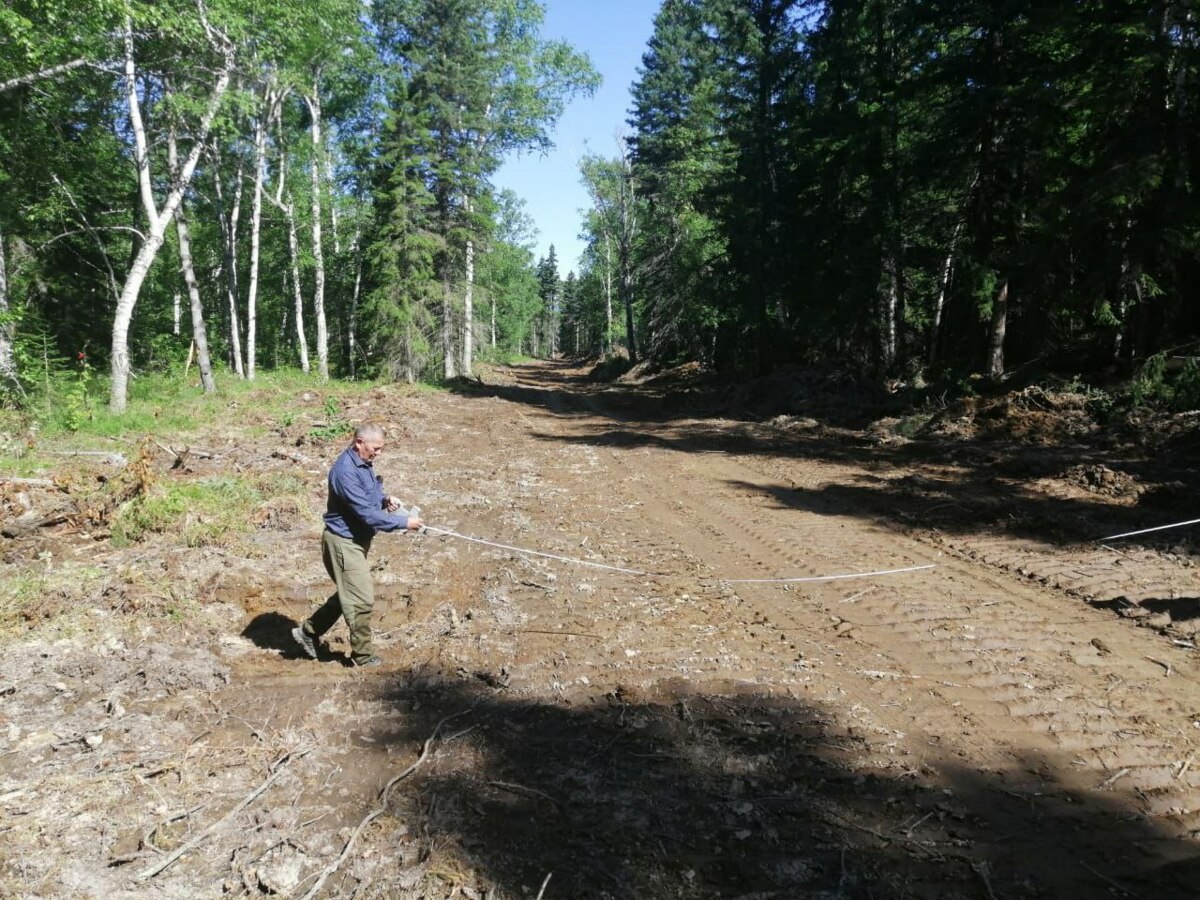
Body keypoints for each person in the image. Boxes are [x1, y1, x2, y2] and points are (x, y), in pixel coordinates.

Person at [292, 423, 423, 667]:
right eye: (376, 448)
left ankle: (308, 632)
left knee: (349, 593)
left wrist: (384, 500)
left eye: (382, 449)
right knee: (361, 599)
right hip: (343, 543)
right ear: (359, 442)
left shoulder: (362, 463)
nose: (379, 453)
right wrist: (405, 522)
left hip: (357, 541)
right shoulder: (345, 472)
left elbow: (368, 499)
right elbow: (367, 515)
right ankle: (363, 656)